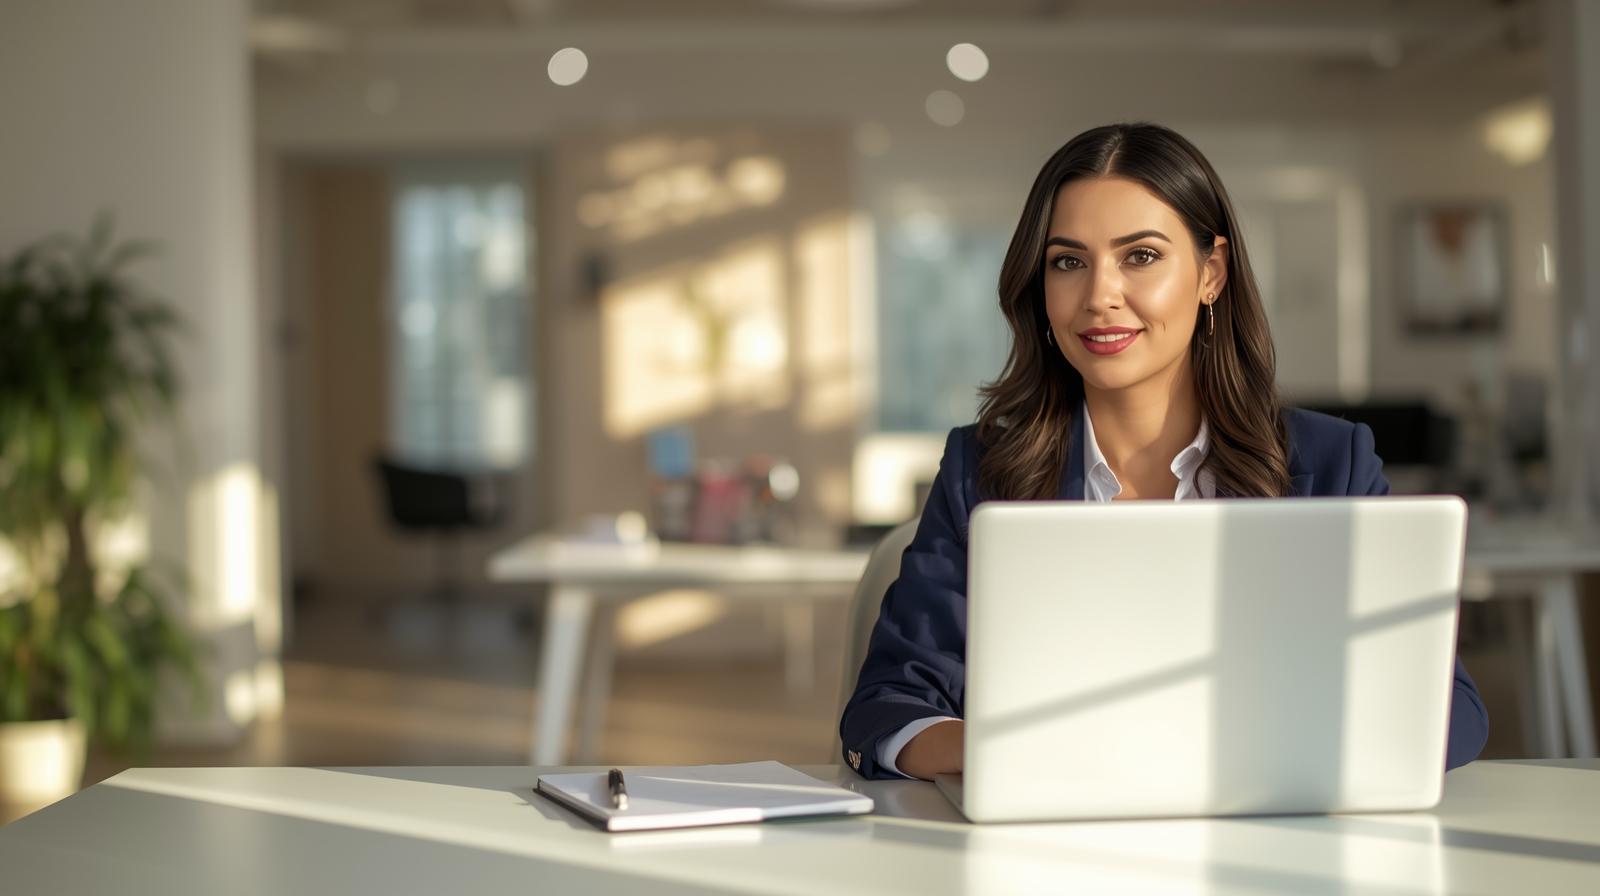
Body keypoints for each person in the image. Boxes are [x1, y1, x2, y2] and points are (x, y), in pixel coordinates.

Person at [839, 122, 1489, 781]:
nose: (1100, 296)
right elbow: (885, 710)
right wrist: (1022, 756)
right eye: (1068, 261)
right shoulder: (981, 468)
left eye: (1140, 256)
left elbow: (1447, 710)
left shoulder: (1331, 464)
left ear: (1212, 273)